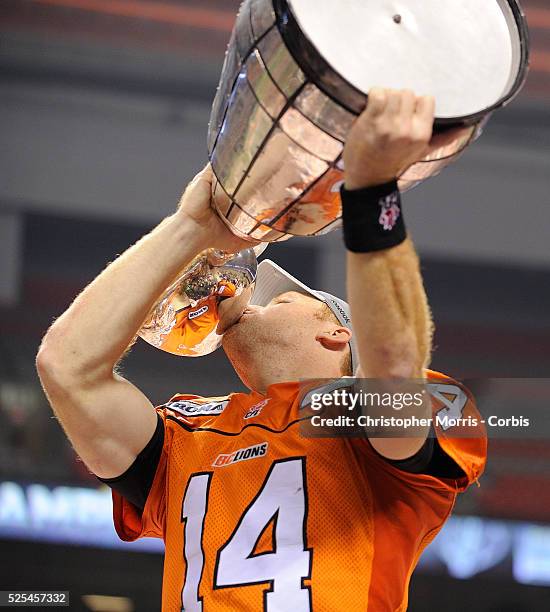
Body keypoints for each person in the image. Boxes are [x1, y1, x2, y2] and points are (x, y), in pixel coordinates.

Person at [36, 88, 486, 611]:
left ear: (336, 333)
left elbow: (391, 370)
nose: (249, 297)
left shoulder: (384, 417)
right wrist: (190, 227)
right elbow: (67, 368)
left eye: (282, 297)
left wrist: (372, 193)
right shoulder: (189, 434)